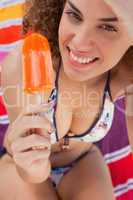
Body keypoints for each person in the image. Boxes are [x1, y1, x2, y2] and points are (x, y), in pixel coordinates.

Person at [0, 0, 133, 199]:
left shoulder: (124, 73)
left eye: (107, 26)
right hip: (21, 168)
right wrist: (32, 166)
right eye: (75, 15)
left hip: (83, 162)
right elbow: (34, 174)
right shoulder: (21, 65)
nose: (79, 43)